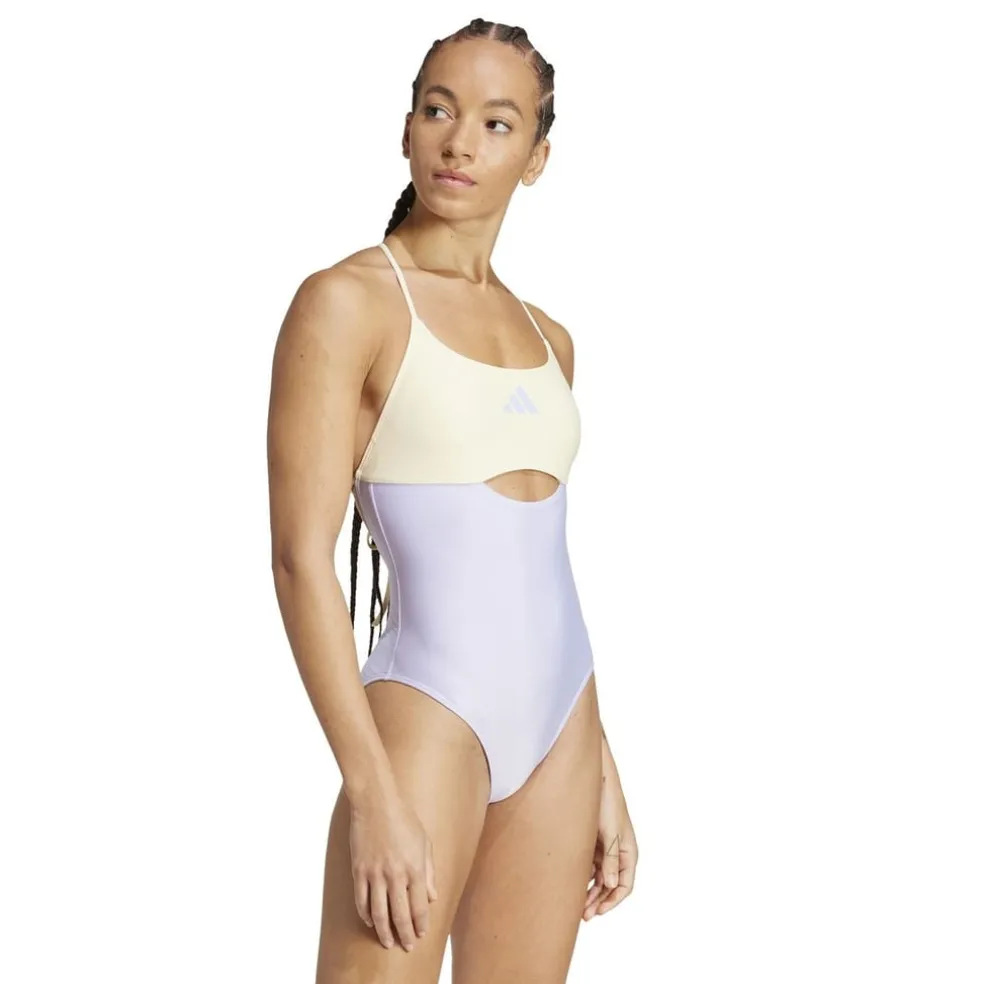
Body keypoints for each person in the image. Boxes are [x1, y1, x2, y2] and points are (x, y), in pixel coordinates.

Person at [267, 18, 638, 983]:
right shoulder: (349, 302)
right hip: (428, 718)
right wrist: (371, 789)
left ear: (537, 157)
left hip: (563, 725)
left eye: (496, 122)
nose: (460, 141)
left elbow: (539, 563)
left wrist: (603, 764)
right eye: (439, 110)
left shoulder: (550, 340)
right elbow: (302, 559)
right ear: (406, 129)